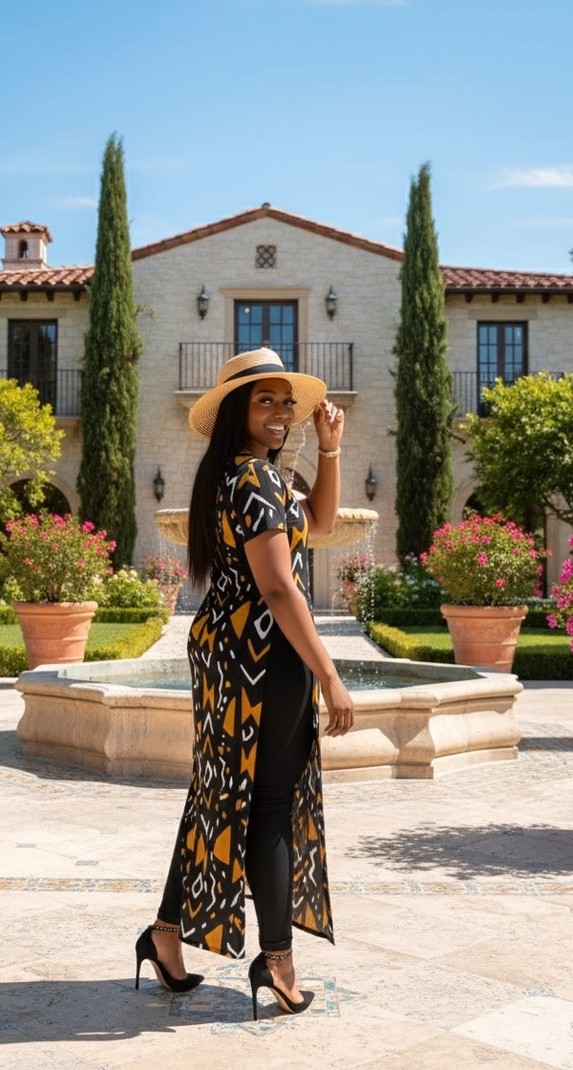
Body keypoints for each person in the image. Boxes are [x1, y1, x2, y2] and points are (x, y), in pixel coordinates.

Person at [136, 347, 354, 1019]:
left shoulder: (244, 475)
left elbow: (319, 525)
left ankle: (164, 936)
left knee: (218, 793)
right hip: (262, 654)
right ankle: (277, 961)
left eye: (287, 401)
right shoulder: (254, 479)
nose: (282, 412)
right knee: (268, 804)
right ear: (237, 410)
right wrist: (330, 673)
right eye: (266, 400)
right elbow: (279, 587)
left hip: (230, 649)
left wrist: (329, 450)